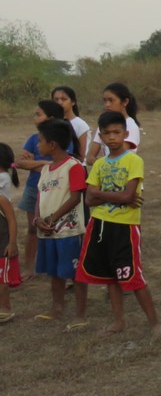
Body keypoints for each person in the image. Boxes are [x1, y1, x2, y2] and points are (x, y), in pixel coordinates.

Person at [75, 111, 161, 339]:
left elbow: (128, 196)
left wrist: (102, 193)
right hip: (100, 225)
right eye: (107, 133)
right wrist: (115, 196)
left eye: (116, 132)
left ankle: (155, 324)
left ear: (125, 134)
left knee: (134, 277)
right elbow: (89, 200)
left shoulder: (133, 160)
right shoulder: (99, 164)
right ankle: (118, 321)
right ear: (100, 136)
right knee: (110, 277)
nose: (112, 137)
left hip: (125, 226)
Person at [32, 119, 89, 328]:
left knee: (75, 273)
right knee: (55, 272)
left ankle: (80, 315)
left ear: (52, 144)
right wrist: (37, 219)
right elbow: (40, 197)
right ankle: (57, 308)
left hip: (68, 232)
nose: (37, 145)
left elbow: (75, 197)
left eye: (40, 141)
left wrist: (52, 218)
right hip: (48, 232)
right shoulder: (46, 170)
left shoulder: (73, 167)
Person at [15, 99, 65, 280]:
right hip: (33, 188)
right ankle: (30, 268)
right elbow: (20, 163)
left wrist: (34, 163)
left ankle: (59, 267)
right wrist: (45, 163)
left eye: (38, 114)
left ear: (50, 118)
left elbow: (60, 166)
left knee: (57, 227)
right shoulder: (32, 138)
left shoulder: (63, 138)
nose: (34, 118)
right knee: (32, 228)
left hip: (54, 190)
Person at [86, 82, 141, 166]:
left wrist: (101, 164)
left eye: (111, 100)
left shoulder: (131, 125)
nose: (107, 105)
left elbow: (118, 157)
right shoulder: (103, 124)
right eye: (105, 101)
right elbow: (90, 158)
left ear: (125, 102)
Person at [0, 142, 21, 323]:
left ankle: (5, 309)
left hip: (2, 239)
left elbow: (12, 220)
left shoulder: (2, 183)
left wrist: (12, 242)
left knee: (2, 278)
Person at [51, 86, 90, 161]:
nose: (59, 102)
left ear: (73, 102)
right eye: (56, 99)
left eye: (64, 99)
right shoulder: (50, 123)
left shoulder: (80, 125)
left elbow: (81, 156)